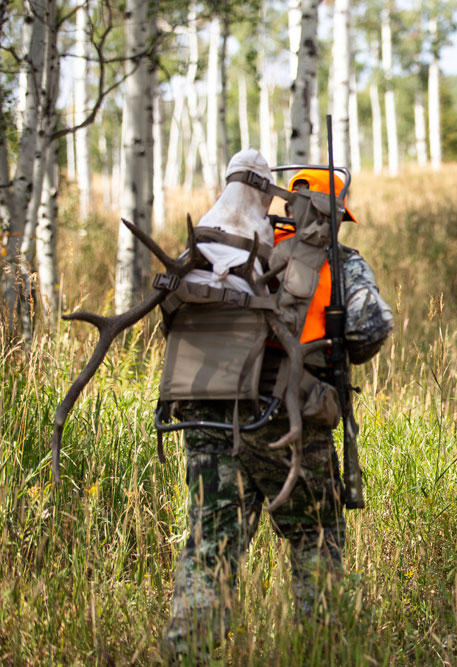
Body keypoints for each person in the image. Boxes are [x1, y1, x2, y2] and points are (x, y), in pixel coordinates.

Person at [164, 159, 393, 658]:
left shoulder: (225, 247)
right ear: (334, 212)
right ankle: (323, 652)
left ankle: (187, 654)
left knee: (210, 550)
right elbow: (370, 329)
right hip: (287, 422)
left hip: (207, 413)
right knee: (315, 541)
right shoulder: (338, 260)